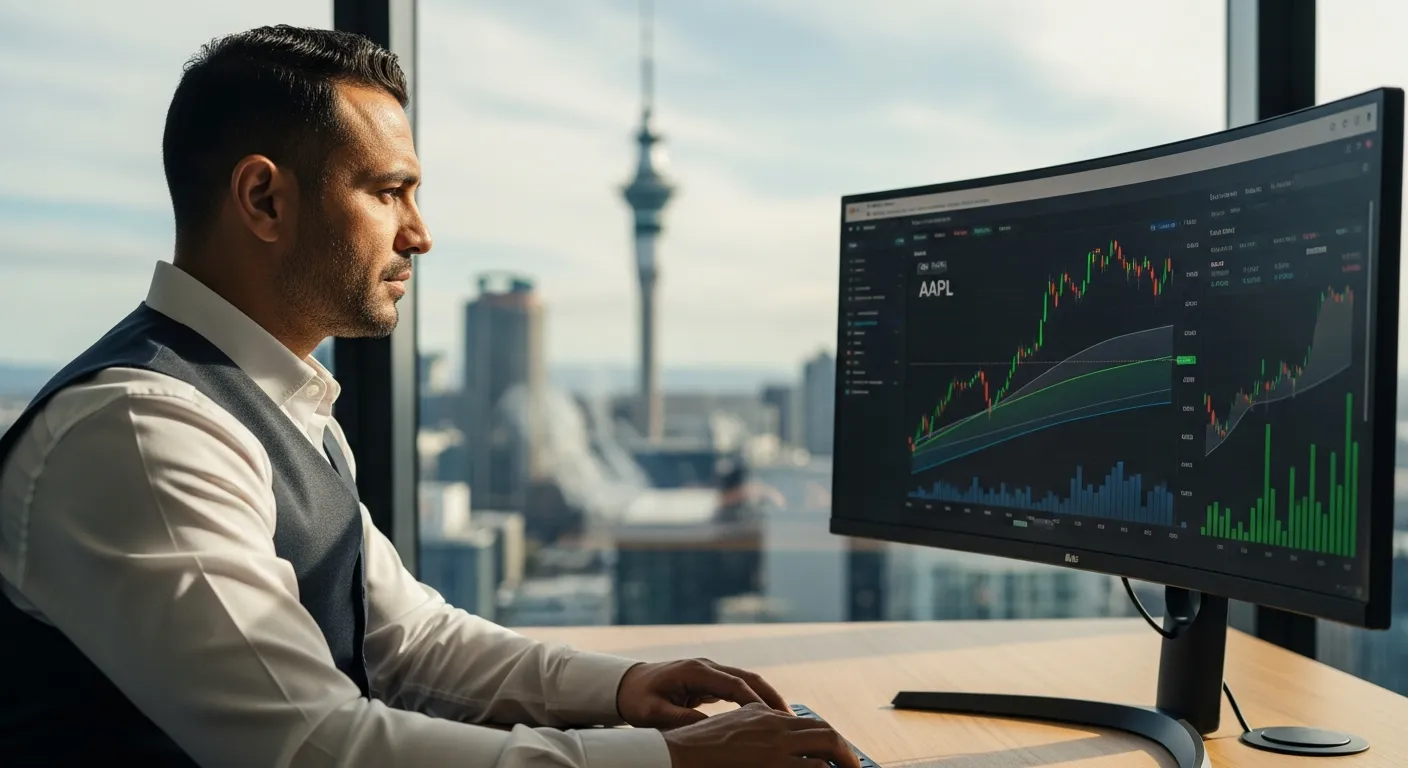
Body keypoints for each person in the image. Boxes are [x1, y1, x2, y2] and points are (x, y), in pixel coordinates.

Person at [0, 24, 860, 768]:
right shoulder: (144, 430)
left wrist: (628, 689)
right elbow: (313, 748)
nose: (421, 233)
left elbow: (407, 639)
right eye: (388, 191)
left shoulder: (271, 404)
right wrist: (666, 758)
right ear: (264, 198)